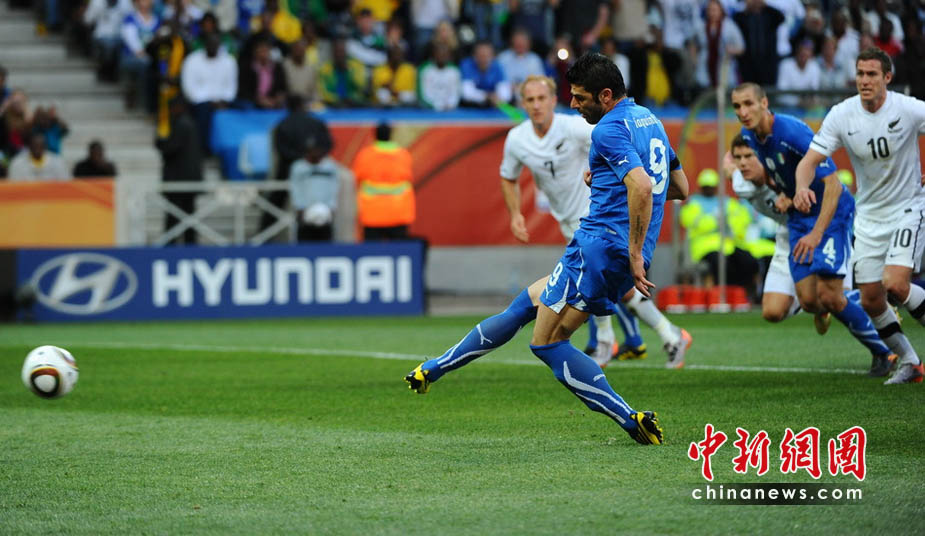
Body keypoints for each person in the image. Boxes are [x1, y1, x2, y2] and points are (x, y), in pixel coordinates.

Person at [405, 53, 691, 446]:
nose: (573, 104)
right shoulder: (651, 120)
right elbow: (678, 187)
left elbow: (641, 185)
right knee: (527, 302)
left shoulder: (606, 129)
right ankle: (434, 368)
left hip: (597, 247)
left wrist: (635, 251)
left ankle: (630, 418)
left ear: (605, 96)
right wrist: (610, 182)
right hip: (606, 253)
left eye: (580, 97)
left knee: (547, 343)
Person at [500, 74, 692, 368]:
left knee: (599, 286)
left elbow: (616, 143)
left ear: (553, 100)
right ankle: (662, 335)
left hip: (598, 218)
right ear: (522, 104)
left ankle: (616, 340)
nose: (536, 105)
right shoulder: (517, 139)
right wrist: (515, 214)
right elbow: (508, 176)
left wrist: (606, 173)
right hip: (569, 220)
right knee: (612, 288)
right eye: (530, 100)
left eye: (542, 98)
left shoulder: (575, 126)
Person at [730, 81, 899, 377]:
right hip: (799, 218)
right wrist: (784, 191)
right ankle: (870, 303)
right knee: (810, 301)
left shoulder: (793, 133)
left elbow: (833, 185)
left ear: (764, 103)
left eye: (748, 104)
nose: (742, 112)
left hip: (830, 214)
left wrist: (817, 234)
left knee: (831, 296)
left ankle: (886, 351)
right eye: (736, 106)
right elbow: (778, 171)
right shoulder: (749, 136)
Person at [796, 48, 925, 384]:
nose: (864, 80)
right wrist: (801, 187)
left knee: (895, 284)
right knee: (871, 299)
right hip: (868, 217)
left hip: (908, 207)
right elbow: (808, 161)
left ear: (887, 77)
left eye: (872, 74)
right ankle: (910, 362)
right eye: (860, 74)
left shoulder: (908, 109)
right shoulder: (842, 114)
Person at [353, 122, 415, 240]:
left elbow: (356, 179)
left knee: (372, 250)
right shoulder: (403, 155)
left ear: (374, 135)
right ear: (391, 134)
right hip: (398, 212)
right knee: (399, 249)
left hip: (372, 214)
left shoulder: (365, 155)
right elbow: (408, 178)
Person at [155, 97, 203, 245]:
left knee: (175, 216)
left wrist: (160, 141)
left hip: (179, 179)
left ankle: (172, 246)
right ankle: (189, 245)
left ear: (179, 107)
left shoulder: (181, 124)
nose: (171, 111)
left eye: (172, 108)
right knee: (188, 215)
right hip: (188, 178)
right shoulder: (191, 123)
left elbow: (170, 148)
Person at [289, 138, 340, 242]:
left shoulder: (330, 166)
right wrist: (300, 207)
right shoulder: (298, 167)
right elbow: (295, 188)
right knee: (305, 243)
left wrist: (331, 206)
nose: (315, 153)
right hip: (305, 212)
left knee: (325, 243)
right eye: (312, 150)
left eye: (317, 149)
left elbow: (334, 187)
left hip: (325, 212)